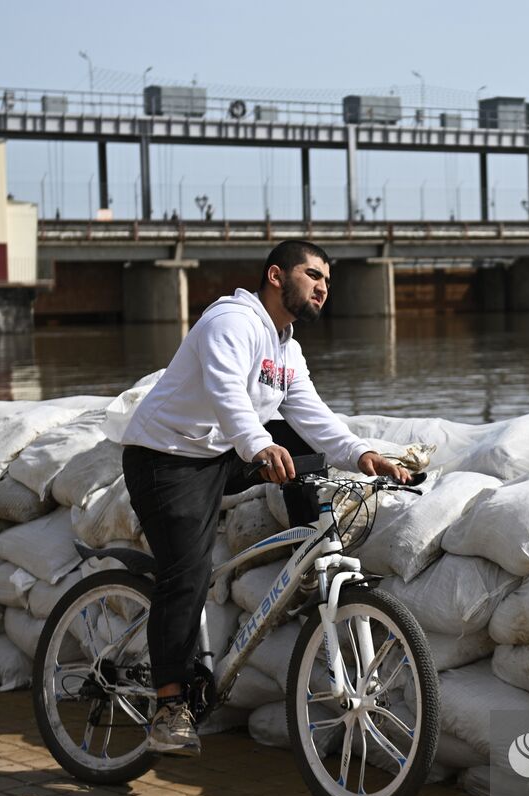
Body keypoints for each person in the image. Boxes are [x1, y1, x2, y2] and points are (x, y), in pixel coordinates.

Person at [120, 240, 410, 756]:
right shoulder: (231, 322)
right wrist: (258, 445)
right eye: (312, 274)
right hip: (166, 457)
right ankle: (168, 705)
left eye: (327, 280)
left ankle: (306, 552)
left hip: (220, 453)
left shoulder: (286, 347)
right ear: (276, 276)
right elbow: (226, 392)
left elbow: (312, 415)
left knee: (307, 447)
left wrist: (363, 453)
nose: (323, 286)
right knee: (186, 571)